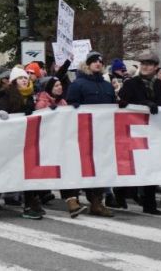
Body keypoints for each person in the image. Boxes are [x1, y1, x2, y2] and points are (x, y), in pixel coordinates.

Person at [62, 52, 116, 218]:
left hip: (102, 134)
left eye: (100, 61)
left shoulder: (107, 86)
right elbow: (69, 107)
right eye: (93, 61)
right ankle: (73, 200)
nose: (97, 64)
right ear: (87, 64)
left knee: (99, 167)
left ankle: (96, 202)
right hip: (81, 134)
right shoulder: (78, 84)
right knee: (77, 166)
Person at [115, 52, 161, 215]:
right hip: (133, 131)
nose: (145, 66)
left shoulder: (159, 84)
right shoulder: (131, 83)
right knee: (131, 165)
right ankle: (120, 196)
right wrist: (143, 104)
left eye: (149, 64)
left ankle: (149, 204)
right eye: (143, 63)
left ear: (156, 67)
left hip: (151, 131)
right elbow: (122, 104)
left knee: (150, 167)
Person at [0, 67, 47, 220]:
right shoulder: (5, 95)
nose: (24, 80)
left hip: (28, 139)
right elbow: (5, 114)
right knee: (7, 171)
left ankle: (31, 203)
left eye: (25, 78)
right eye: (20, 78)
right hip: (11, 140)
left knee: (29, 170)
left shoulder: (31, 95)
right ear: (13, 81)